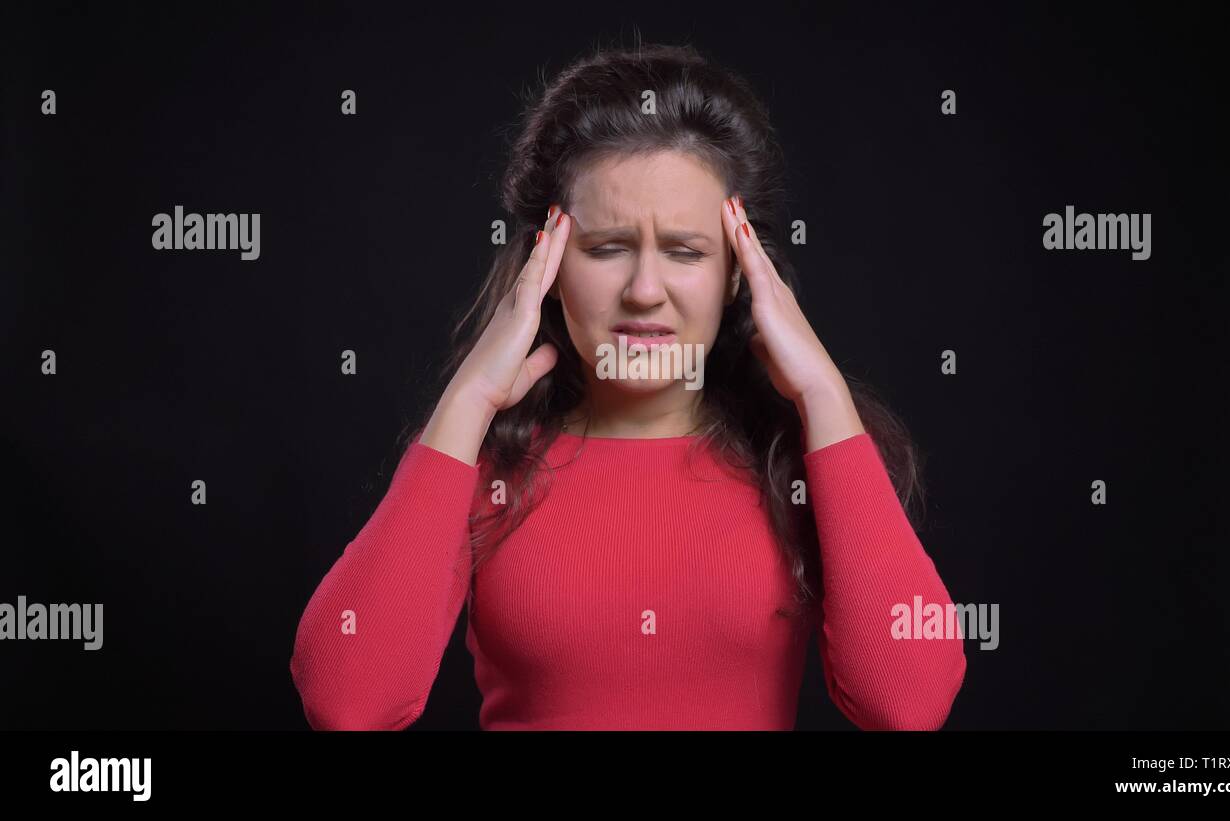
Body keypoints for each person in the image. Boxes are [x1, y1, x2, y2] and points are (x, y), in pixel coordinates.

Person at [289, 41, 966, 730]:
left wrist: (823, 394)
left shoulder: (792, 464)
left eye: (685, 251)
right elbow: (347, 700)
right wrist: (465, 404)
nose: (645, 291)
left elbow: (908, 702)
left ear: (739, 271)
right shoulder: (486, 470)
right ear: (547, 265)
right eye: (608, 247)